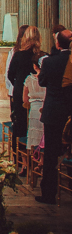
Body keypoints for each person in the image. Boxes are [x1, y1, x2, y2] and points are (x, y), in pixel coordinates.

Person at [36, 29, 72, 204]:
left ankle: (49, 193)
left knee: (51, 153)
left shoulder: (50, 61)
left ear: (57, 44)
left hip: (54, 111)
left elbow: (42, 82)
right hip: (68, 111)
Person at [8, 26, 46, 155]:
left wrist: (19, 85)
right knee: (37, 126)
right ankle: (37, 156)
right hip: (38, 95)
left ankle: (20, 159)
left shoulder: (18, 55)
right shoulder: (42, 56)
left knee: (20, 124)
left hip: (20, 94)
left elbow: (10, 74)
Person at [23, 56, 46, 150]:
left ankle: (33, 157)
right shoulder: (50, 79)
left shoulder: (29, 79)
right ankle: (43, 159)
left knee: (34, 133)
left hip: (34, 110)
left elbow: (25, 100)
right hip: (46, 109)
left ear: (35, 66)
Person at [5, 24, 29, 114]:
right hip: (17, 89)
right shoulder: (14, 52)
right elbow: (9, 72)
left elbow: (9, 72)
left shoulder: (16, 52)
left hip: (21, 89)